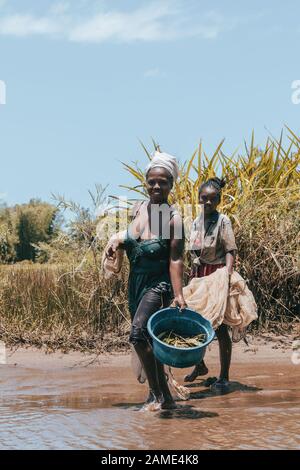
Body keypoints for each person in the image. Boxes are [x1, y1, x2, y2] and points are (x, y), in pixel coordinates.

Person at [105, 150, 186, 410]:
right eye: (152, 181)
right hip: (135, 285)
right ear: (145, 182)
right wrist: (116, 244)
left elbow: (175, 260)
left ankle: (157, 395)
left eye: (163, 182)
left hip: (158, 286)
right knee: (149, 340)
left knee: (138, 335)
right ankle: (167, 399)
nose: (156, 186)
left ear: (171, 184)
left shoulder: (172, 218)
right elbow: (131, 239)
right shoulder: (138, 208)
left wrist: (178, 294)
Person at [184, 177, 237, 390]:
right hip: (201, 274)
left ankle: (224, 376)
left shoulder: (223, 221)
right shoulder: (197, 222)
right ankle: (200, 365)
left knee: (221, 327)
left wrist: (227, 275)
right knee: (192, 321)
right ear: (198, 199)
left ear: (218, 201)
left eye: (212, 199)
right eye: (203, 199)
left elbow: (230, 250)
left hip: (218, 274)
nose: (207, 203)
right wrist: (193, 272)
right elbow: (195, 250)